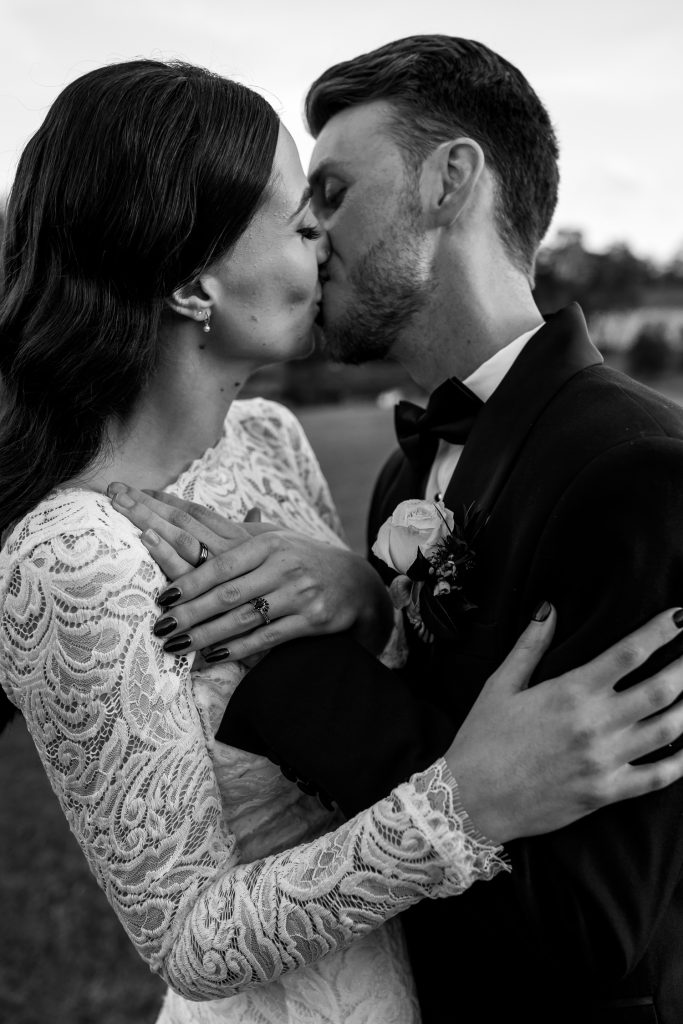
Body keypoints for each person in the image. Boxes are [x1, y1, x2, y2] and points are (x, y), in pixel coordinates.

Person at [109, 37, 683, 1024]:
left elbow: (594, 936)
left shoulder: (637, 469)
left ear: (449, 179)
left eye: (329, 192)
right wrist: (365, 592)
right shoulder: (401, 472)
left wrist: (289, 662)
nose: (305, 231)